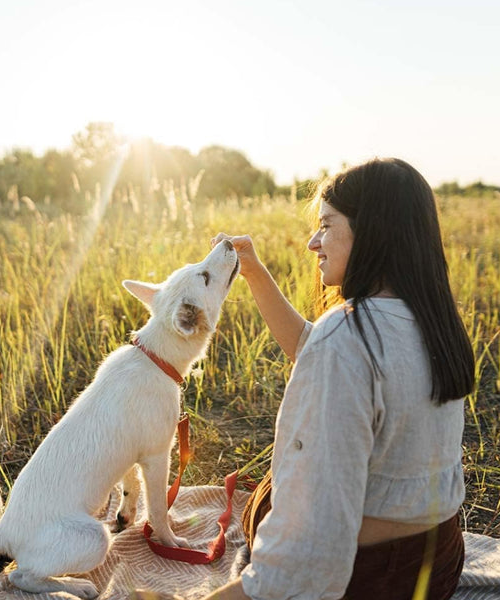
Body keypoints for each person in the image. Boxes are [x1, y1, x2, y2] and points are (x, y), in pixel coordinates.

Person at [133, 157, 474, 600]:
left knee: (273, 500)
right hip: (439, 563)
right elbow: (314, 349)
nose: (314, 242)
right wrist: (251, 269)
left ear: (372, 231)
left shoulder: (347, 335)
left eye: (327, 225)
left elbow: (309, 554)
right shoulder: (428, 318)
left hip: (371, 578)